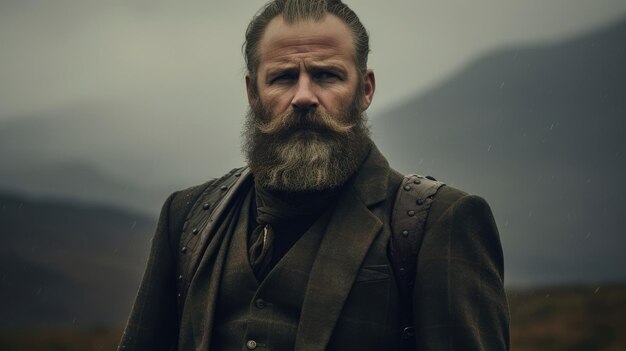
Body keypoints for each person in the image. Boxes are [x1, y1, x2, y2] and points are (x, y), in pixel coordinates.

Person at [118, 0, 510, 350]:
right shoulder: (187, 217)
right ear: (253, 93)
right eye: (283, 77)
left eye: (326, 75)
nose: (303, 96)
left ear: (366, 89)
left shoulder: (438, 222)